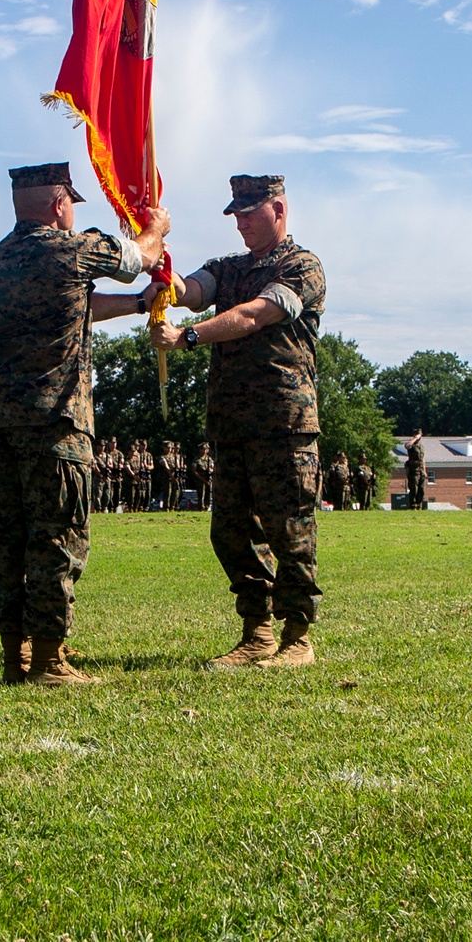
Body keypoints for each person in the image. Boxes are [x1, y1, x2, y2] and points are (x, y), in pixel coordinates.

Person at [0, 161, 169, 686]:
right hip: (53, 421)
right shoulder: (71, 250)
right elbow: (141, 257)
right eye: (73, 203)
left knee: (5, 541)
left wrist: (137, 306)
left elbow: (69, 305)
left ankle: (16, 658)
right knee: (57, 537)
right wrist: (157, 227)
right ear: (60, 204)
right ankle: (50, 662)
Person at [152, 173, 326, 671]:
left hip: (283, 423)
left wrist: (188, 337)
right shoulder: (228, 268)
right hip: (230, 426)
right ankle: (258, 633)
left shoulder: (301, 267)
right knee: (230, 532)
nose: (242, 223)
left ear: (279, 209)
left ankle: (298, 637)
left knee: (288, 528)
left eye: (250, 213)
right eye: (236, 215)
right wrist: (162, 266)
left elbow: (255, 315)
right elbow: (192, 289)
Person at [405, 430, 427, 510]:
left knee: (421, 489)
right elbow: (407, 446)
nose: (419, 436)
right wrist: (414, 438)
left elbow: (422, 459)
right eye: (418, 434)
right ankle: (413, 506)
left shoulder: (421, 446)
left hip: (420, 469)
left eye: (420, 434)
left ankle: (419, 506)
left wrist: (424, 471)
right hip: (413, 470)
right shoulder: (411, 445)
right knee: (414, 489)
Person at [192, 442, 214, 511]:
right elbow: (194, 471)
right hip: (200, 479)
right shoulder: (197, 459)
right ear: (200, 450)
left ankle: (206, 507)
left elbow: (213, 468)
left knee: (208, 494)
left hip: (208, 479)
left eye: (206, 449)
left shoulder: (209, 459)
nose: (204, 451)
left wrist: (211, 470)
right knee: (201, 494)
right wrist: (202, 479)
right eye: (203, 449)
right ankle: (201, 508)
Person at [155, 441, 175, 511]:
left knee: (174, 493)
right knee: (167, 493)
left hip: (174, 477)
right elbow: (166, 467)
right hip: (166, 478)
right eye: (167, 447)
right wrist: (171, 476)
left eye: (170, 447)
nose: (169, 449)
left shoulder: (173, 456)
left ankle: (172, 507)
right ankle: (166, 507)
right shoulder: (162, 457)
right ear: (163, 448)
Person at [139, 441, 154, 512]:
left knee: (148, 493)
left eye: (145, 445)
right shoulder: (137, 454)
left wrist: (148, 467)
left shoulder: (149, 455)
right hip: (140, 476)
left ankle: (146, 507)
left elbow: (152, 466)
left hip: (147, 476)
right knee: (141, 493)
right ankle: (140, 506)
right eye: (142, 445)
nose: (144, 447)